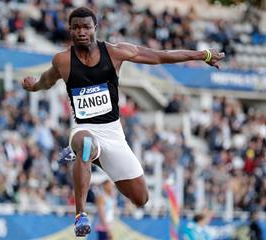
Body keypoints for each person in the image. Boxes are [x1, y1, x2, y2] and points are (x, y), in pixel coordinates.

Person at [22, 7, 225, 237]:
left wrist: (202, 55)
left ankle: (94, 160)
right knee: (86, 145)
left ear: (95, 29)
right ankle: (81, 214)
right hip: (84, 129)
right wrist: (34, 86)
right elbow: (47, 81)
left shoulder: (115, 52)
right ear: (70, 30)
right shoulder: (63, 60)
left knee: (141, 198)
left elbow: (159, 55)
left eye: (86, 27)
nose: (81, 32)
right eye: (76, 27)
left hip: (113, 133)